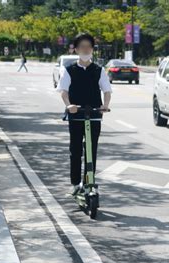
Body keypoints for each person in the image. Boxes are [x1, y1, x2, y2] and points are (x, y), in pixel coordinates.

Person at [56, 33, 112, 196]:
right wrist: (69, 105)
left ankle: (89, 182)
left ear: (92, 50)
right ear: (76, 50)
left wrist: (105, 106)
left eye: (88, 47)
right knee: (75, 149)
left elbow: (107, 91)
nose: (85, 49)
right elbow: (64, 92)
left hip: (94, 115)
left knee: (91, 149)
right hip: (76, 114)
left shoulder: (99, 70)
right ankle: (75, 183)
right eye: (82, 47)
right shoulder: (69, 70)